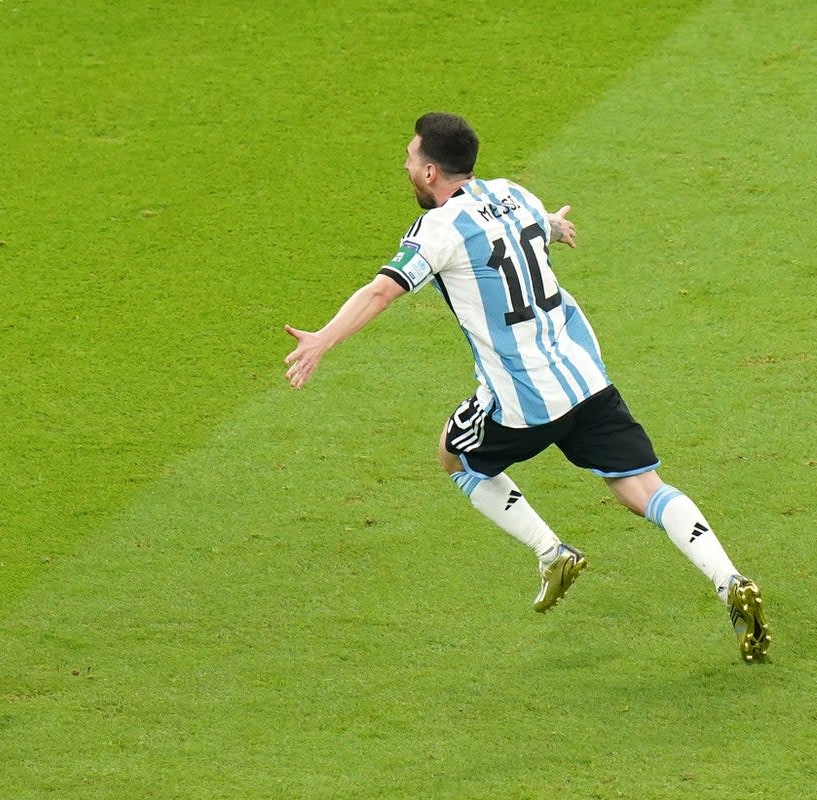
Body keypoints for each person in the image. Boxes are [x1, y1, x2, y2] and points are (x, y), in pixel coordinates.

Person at [283, 112, 770, 663]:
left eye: (410, 159)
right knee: (642, 487)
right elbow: (542, 225)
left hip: (522, 401)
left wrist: (322, 339)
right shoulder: (513, 194)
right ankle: (729, 580)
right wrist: (557, 228)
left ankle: (551, 551)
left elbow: (380, 292)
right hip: (587, 380)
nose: (406, 165)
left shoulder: (439, 229)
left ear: (430, 172)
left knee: (455, 457)